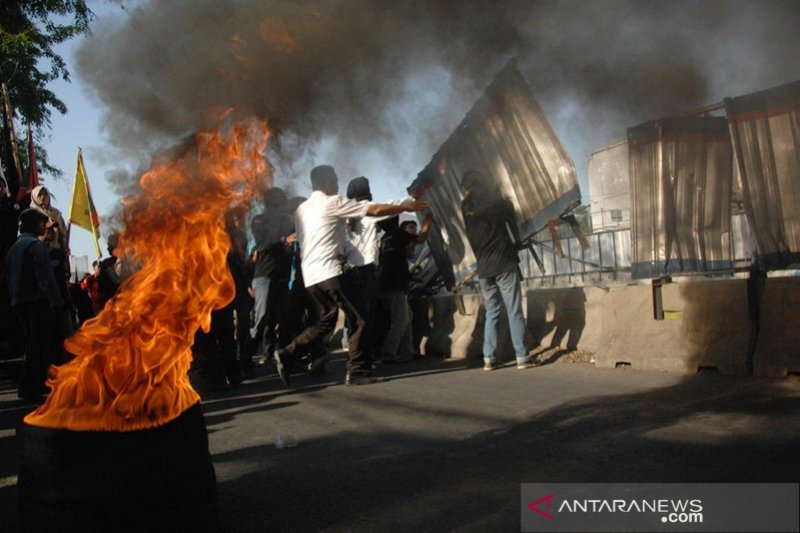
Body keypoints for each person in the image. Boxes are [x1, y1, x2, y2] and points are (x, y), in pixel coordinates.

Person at [274, 165, 427, 387]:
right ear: (327, 182)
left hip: (310, 276)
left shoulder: (302, 209)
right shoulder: (332, 202)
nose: (338, 184)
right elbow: (373, 211)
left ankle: (288, 353)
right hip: (331, 271)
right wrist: (406, 205)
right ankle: (357, 371)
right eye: (335, 179)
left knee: (326, 320)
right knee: (361, 319)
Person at [460, 170, 538, 371]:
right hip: (503, 264)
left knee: (492, 312)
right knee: (514, 311)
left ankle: (489, 358)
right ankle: (522, 357)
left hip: (484, 270)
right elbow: (514, 229)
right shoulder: (499, 202)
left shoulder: (466, 208)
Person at [5, 209, 65, 402]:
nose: (44, 227)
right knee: (38, 344)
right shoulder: (34, 246)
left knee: (32, 343)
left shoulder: (14, 249)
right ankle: (31, 386)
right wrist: (56, 301)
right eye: (42, 223)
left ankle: (32, 385)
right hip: (36, 301)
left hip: (19, 302)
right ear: (34, 225)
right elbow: (46, 278)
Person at [375, 216, 432, 363]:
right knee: (400, 320)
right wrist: (427, 222)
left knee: (408, 316)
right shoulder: (398, 233)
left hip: (387, 283)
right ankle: (388, 353)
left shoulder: (386, 237)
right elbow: (420, 239)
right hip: (395, 284)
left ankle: (408, 352)